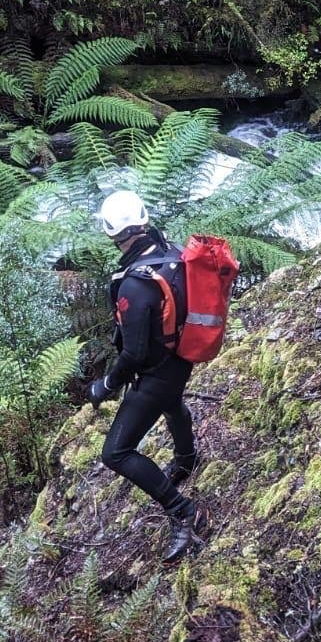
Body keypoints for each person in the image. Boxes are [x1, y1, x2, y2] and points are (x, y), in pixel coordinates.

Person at [87, 189, 205, 562]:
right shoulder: (167, 251)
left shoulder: (136, 283)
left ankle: (184, 512)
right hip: (180, 357)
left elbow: (133, 354)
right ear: (144, 220)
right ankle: (186, 457)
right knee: (173, 405)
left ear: (111, 233)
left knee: (116, 452)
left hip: (157, 372)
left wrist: (106, 384)